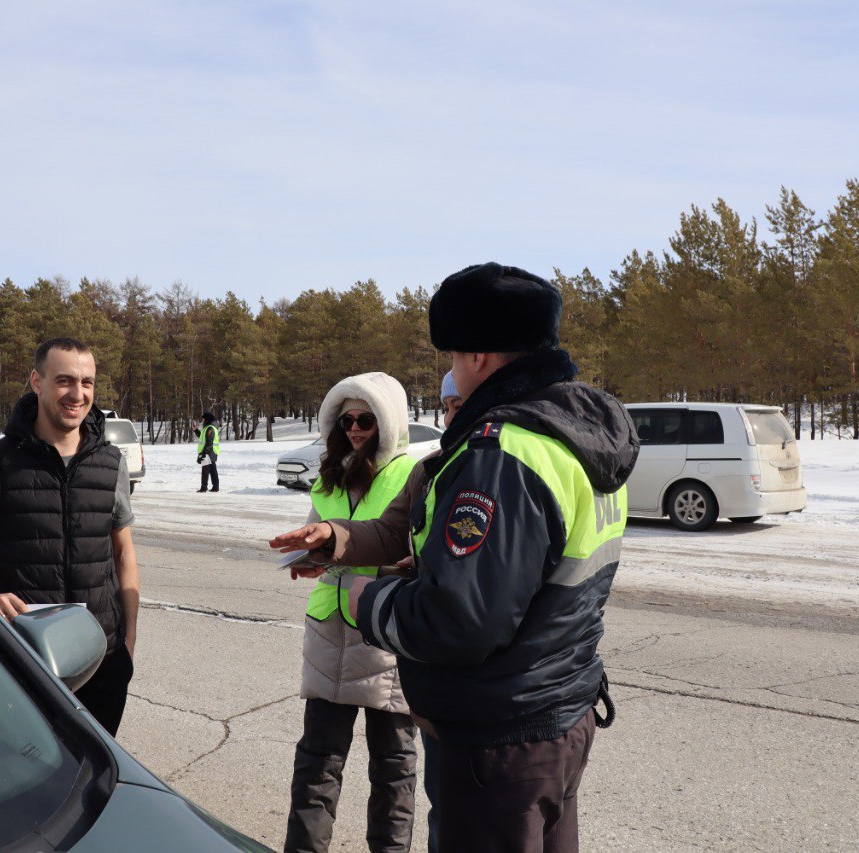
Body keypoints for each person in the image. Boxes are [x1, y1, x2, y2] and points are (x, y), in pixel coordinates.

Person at [271, 262, 639, 853]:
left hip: (500, 740)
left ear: (481, 358)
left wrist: (362, 598)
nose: (451, 370)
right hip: (558, 713)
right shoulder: (570, 438)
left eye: (453, 354)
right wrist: (342, 541)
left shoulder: (502, 455)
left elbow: (458, 621)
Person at [0, 337, 140, 736]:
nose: (77, 394)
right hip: (25, 658)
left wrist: (128, 640)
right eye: (64, 381)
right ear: (37, 382)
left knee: (97, 778)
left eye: (87, 383)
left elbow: (124, 553)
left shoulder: (111, 463)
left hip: (104, 658)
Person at [284, 371, 419, 853]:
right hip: (329, 628)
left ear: (389, 422)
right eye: (347, 420)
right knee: (317, 764)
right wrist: (310, 556)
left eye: (366, 419)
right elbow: (319, 531)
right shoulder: (332, 471)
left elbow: (413, 548)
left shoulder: (412, 473)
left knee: (393, 766)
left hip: (384, 629)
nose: (356, 428)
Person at [196, 411, 220, 492]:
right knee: (213, 470)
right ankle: (215, 487)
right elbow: (203, 438)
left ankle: (203, 488)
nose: (202, 421)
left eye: (203, 419)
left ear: (207, 419)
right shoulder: (208, 428)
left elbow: (209, 442)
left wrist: (203, 453)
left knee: (205, 470)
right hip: (211, 452)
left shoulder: (210, 428)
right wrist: (195, 430)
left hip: (209, 452)